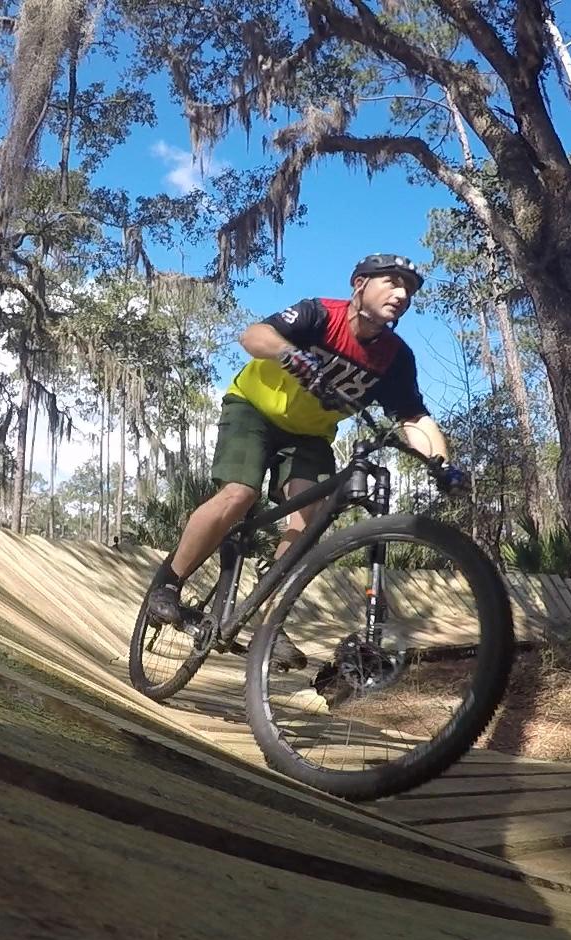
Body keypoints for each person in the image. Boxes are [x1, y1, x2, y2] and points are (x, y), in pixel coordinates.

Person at [143, 253, 462, 670]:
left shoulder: (395, 358)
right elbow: (253, 336)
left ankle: (268, 618)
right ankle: (167, 586)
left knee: (308, 516)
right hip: (253, 410)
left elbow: (413, 417)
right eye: (392, 282)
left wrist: (441, 464)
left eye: (410, 290)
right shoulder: (318, 315)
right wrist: (293, 356)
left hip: (310, 436)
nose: (402, 294)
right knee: (238, 494)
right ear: (359, 284)